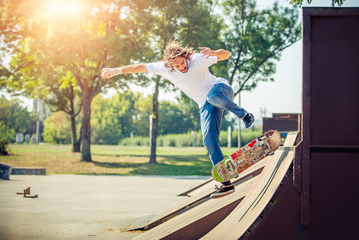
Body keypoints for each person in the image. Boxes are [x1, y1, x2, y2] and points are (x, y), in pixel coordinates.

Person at [101, 40, 255, 198]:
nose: (182, 67)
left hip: (221, 91)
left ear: (185, 56)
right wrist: (115, 71)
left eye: (182, 63)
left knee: (212, 96)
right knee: (209, 140)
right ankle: (226, 182)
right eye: (178, 66)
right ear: (170, 65)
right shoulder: (164, 68)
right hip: (205, 105)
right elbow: (140, 66)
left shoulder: (197, 59)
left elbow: (226, 54)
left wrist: (214, 53)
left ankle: (245, 115)